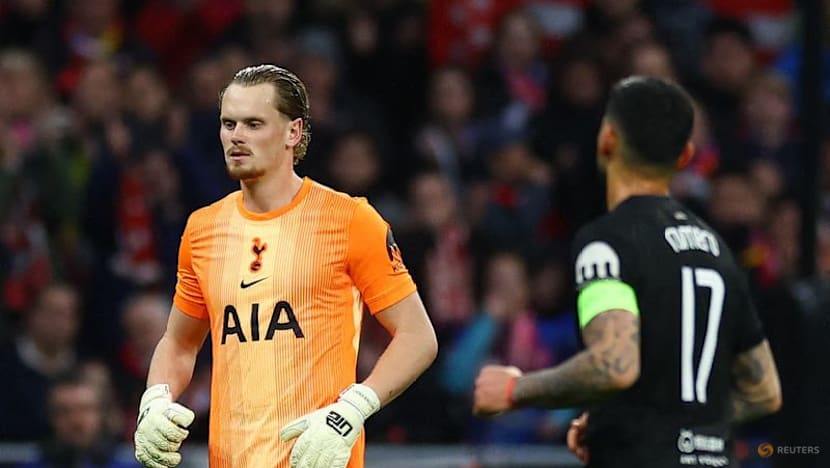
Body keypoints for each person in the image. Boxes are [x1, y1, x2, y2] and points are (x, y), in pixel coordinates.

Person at [132, 64, 438, 468]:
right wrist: (155, 399)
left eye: (254, 124)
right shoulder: (202, 230)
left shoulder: (349, 220)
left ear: (293, 132)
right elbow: (179, 342)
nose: (236, 136)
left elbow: (418, 336)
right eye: (228, 124)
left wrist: (351, 411)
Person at [472, 76, 782, 467]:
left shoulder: (606, 242)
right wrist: (619, 423)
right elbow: (764, 391)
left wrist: (516, 389)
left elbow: (613, 365)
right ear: (685, 155)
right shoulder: (716, 249)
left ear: (607, 141)